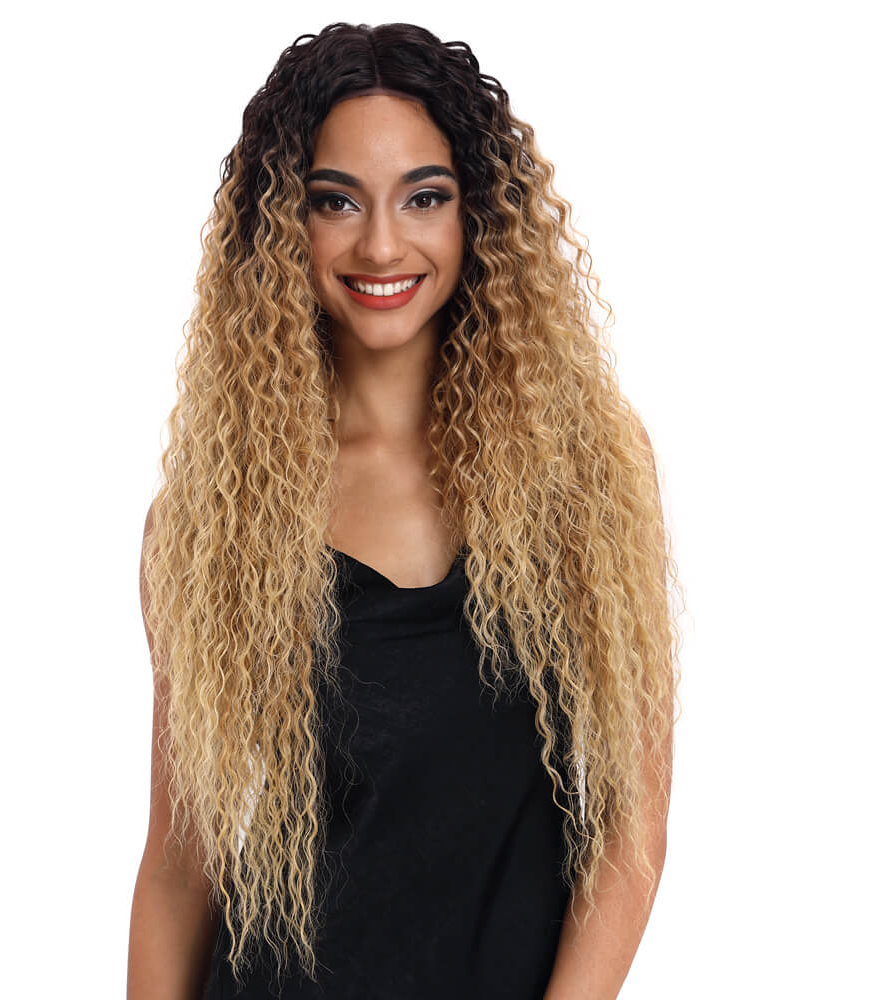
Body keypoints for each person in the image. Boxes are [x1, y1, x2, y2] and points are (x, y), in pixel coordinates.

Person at [127, 21, 682, 1000]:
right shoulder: (216, 519)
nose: (381, 243)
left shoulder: (585, 467)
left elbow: (631, 833)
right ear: (281, 226)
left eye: (424, 197)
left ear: (479, 214)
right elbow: (180, 869)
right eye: (335, 201)